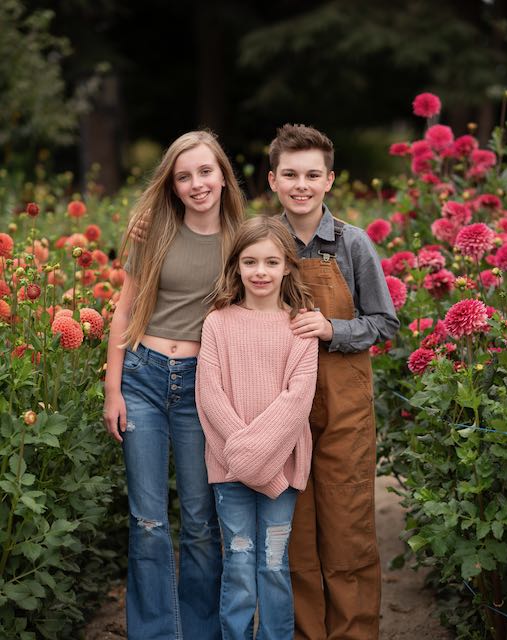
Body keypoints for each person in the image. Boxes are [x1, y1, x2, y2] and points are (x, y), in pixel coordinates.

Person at [103, 130, 245, 640]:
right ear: (173, 185)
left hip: (200, 386)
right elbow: (124, 311)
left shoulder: (241, 241)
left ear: (223, 176)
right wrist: (113, 390)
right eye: (184, 176)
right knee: (147, 520)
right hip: (142, 378)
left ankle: (202, 632)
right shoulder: (155, 233)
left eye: (205, 172)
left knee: (201, 523)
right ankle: (155, 633)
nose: (196, 184)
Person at [267, 124, 400, 640]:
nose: (301, 185)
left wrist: (332, 329)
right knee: (295, 537)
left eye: (312, 175)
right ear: (274, 180)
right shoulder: (263, 241)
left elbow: (384, 322)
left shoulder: (353, 243)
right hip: (282, 408)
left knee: (347, 532)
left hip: (344, 406)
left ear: (329, 180)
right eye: (291, 175)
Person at [195, 216, 319, 640]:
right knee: (239, 563)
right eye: (250, 262)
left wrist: (255, 460)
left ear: (287, 267)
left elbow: (297, 400)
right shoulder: (218, 322)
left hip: (282, 471)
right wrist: (247, 458)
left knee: (273, 563)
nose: (260, 272)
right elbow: (210, 395)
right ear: (236, 265)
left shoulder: (300, 326)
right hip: (229, 471)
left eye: (271, 262)